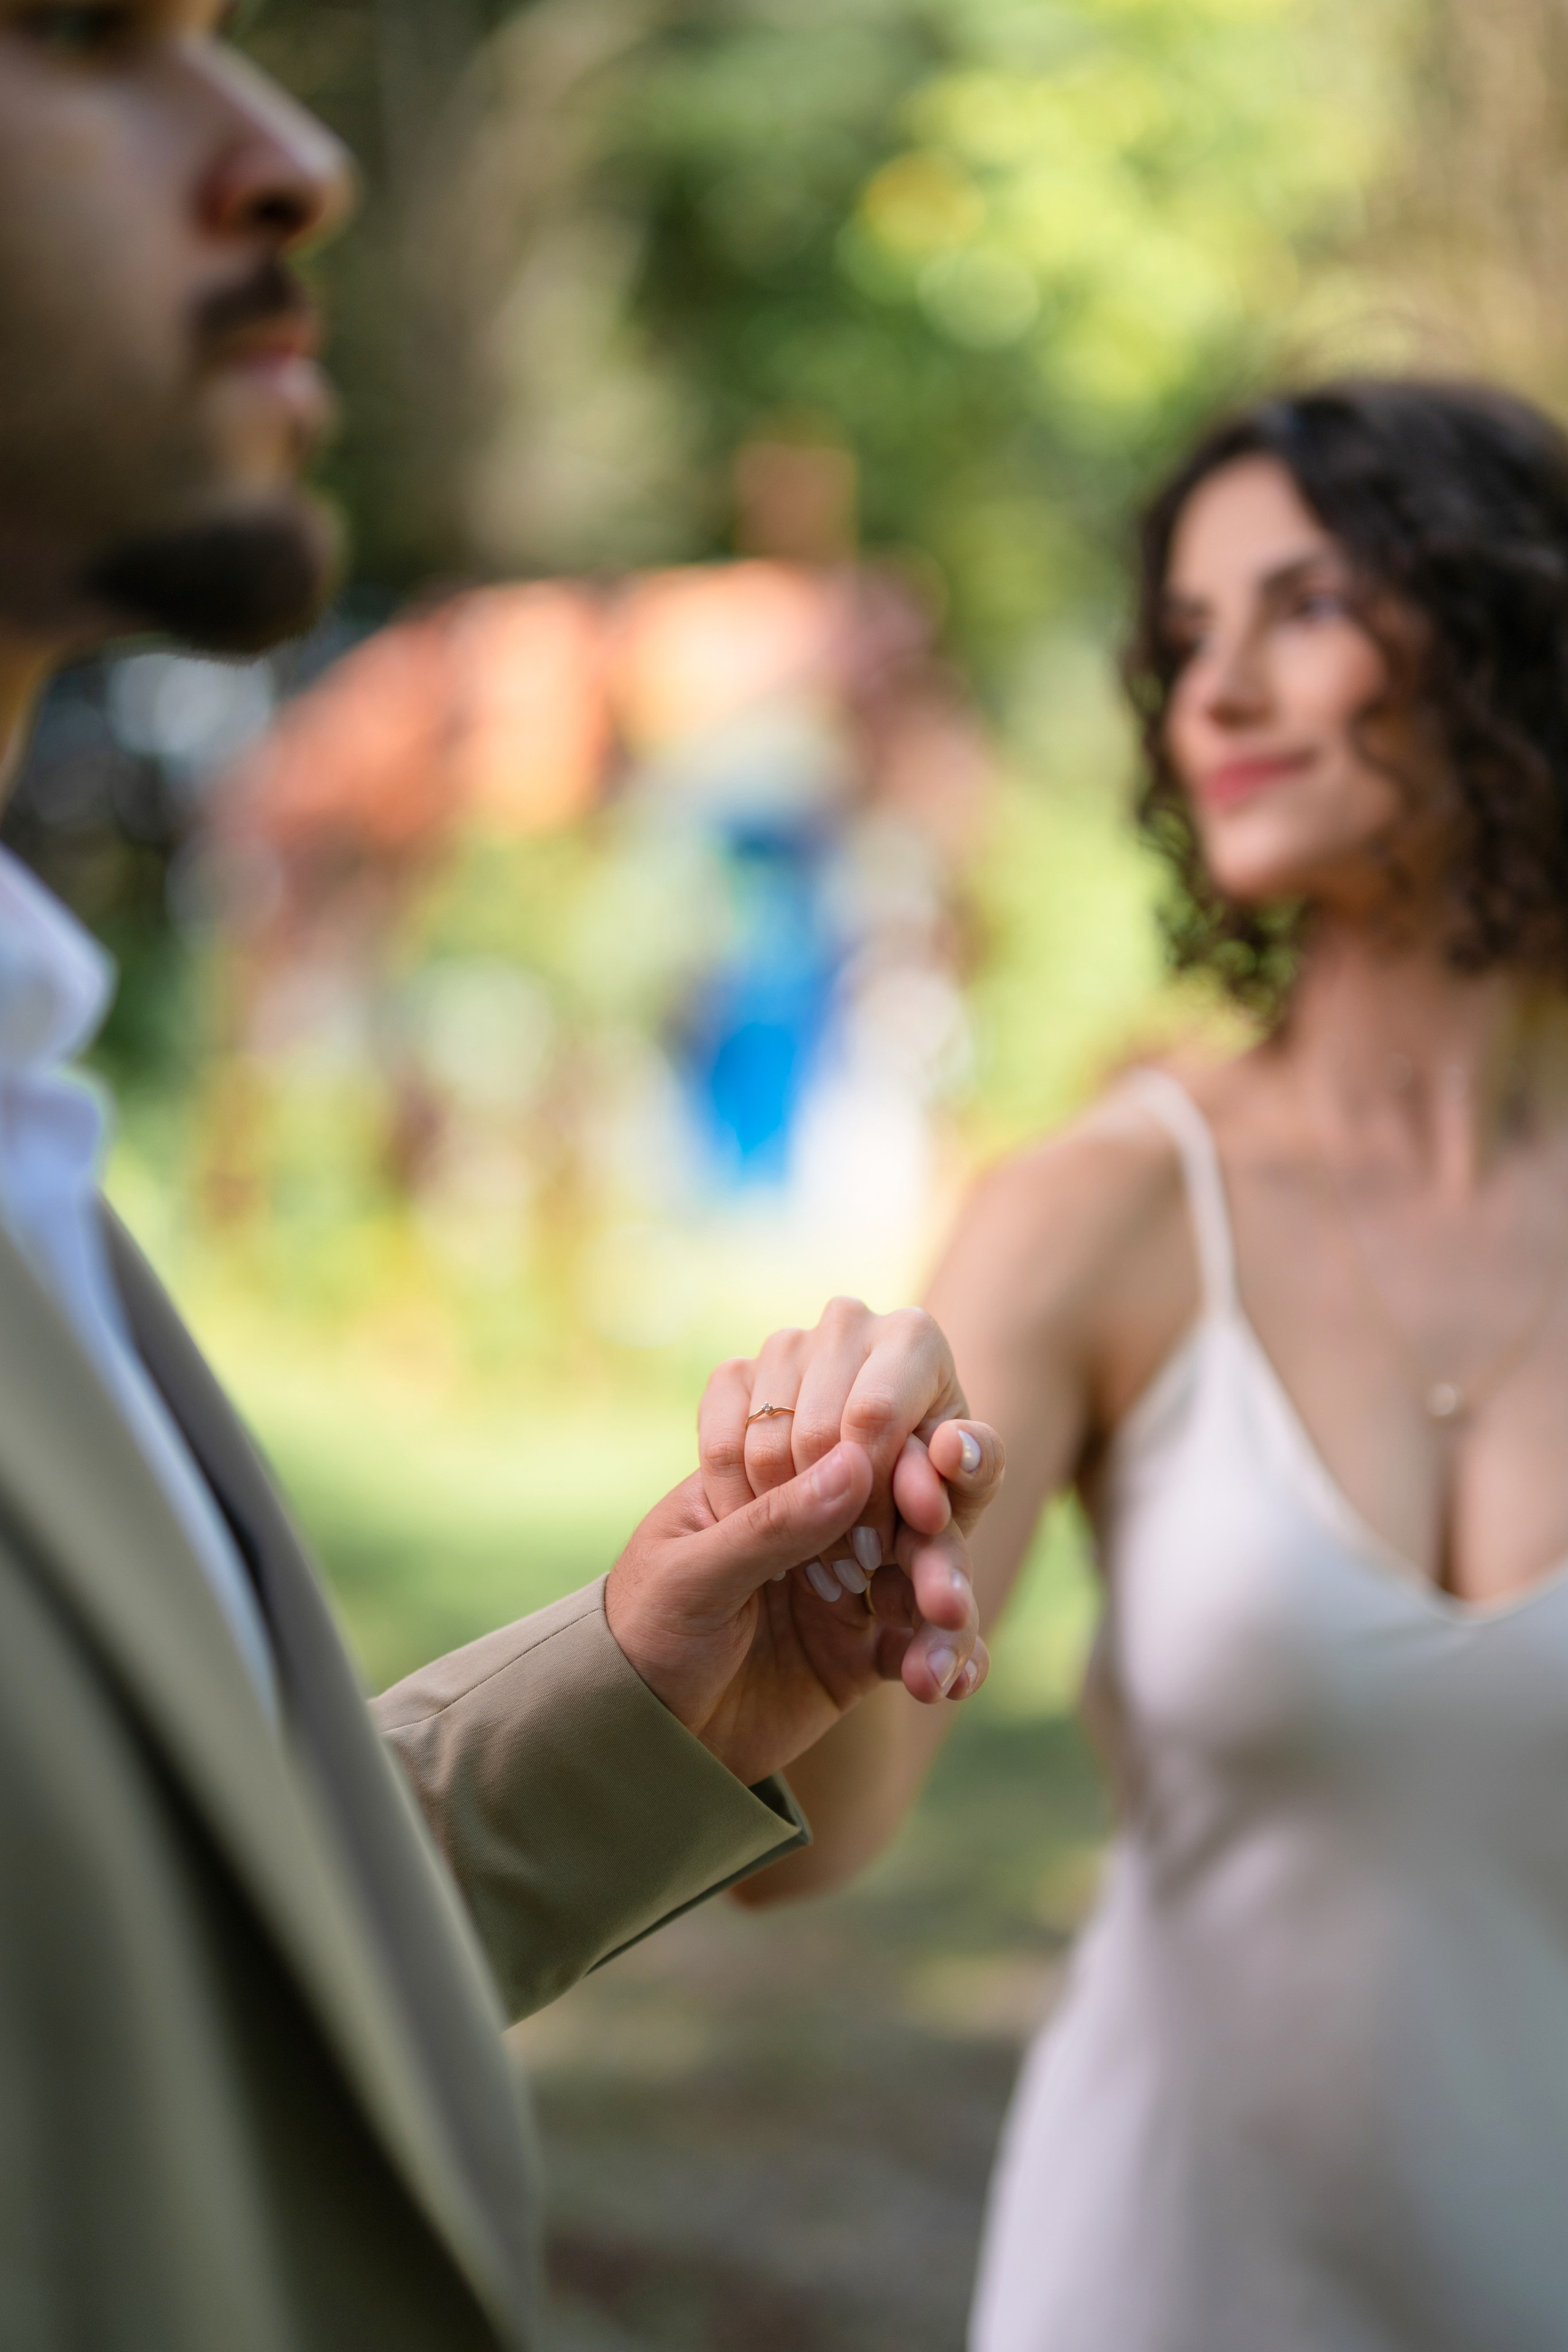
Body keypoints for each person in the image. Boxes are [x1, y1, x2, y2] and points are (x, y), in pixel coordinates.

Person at [0, 6, 1003, 2346]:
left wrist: (644, 1693)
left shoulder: (36, 1104)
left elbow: (122, 1992)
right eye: (78, 38)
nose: (290, 161)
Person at [710, 377, 1568, 2350]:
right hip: (1167, 2286)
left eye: (1306, 608)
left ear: (1513, 631)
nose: (1221, 695)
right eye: (1187, 643)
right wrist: (796, 1601)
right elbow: (813, 1851)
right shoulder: (1102, 1214)